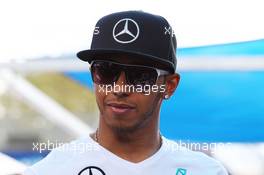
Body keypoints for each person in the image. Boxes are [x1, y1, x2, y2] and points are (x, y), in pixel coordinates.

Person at [23, 10, 228, 175]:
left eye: (140, 76)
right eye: (105, 71)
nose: (119, 88)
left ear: (169, 85)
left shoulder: (205, 171)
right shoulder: (51, 170)